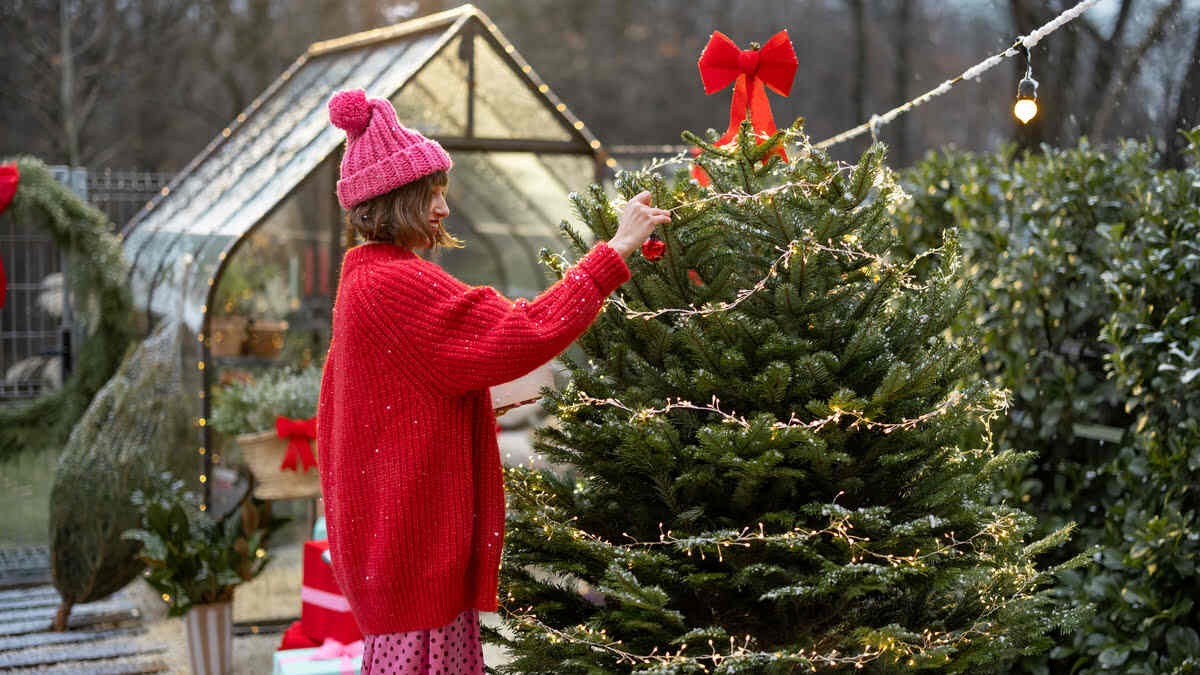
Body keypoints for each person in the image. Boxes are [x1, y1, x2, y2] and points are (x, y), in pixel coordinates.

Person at [316, 88, 670, 674]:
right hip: (416, 562)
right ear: (395, 198)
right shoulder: (395, 284)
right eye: (432, 196)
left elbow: (392, 399)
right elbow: (523, 329)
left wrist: (476, 399)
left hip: (403, 563)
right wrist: (614, 250)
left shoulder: (363, 282)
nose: (444, 210)